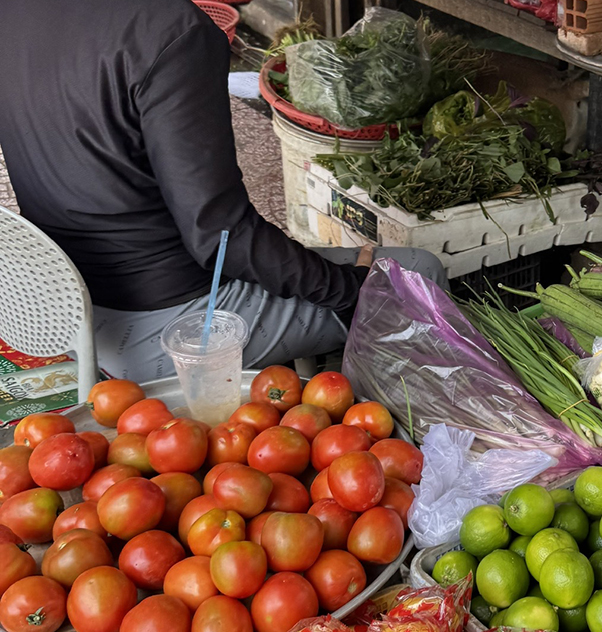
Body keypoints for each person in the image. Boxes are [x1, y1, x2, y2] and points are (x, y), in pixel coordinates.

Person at [0, 0, 447, 382]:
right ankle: (404, 447)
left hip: (54, 308)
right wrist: (351, 290)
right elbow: (222, 238)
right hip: (169, 330)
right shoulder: (171, 32)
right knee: (417, 272)